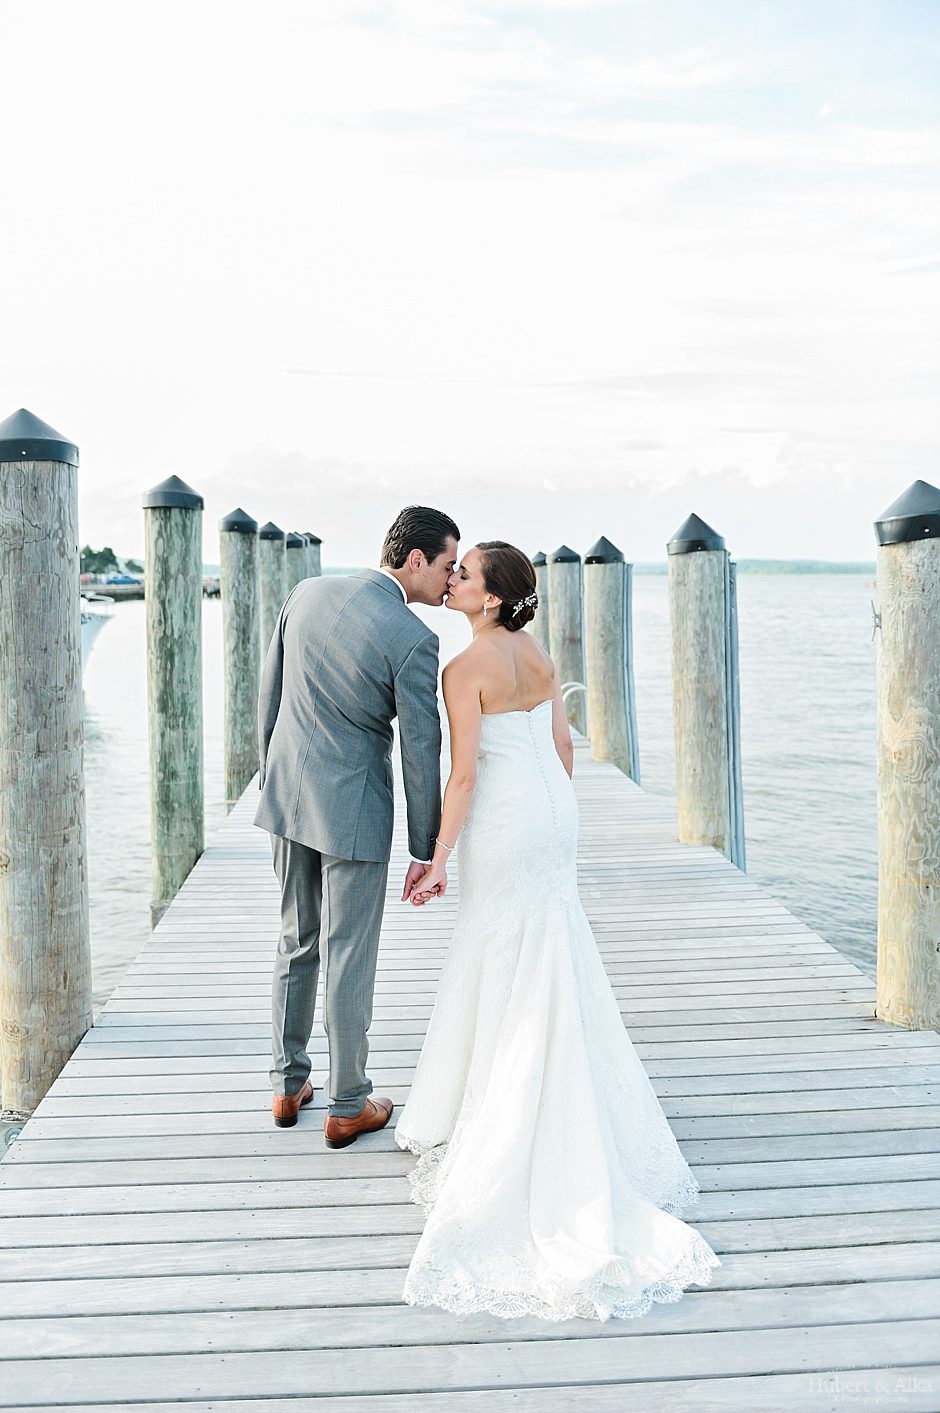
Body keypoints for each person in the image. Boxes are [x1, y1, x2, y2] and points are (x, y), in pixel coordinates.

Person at [395, 540, 721, 1322]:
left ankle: (504, 1094)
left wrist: (438, 856)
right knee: (550, 940)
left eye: (466, 575)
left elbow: (465, 775)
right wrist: (556, 819)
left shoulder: (463, 669)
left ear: (494, 598)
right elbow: (564, 747)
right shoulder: (538, 653)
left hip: (506, 818)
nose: (455, 582)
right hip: (554, 813)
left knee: (499, 941)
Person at [254, 506, 458, 1147]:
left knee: (297, 939)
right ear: (416, 559)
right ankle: (348, 1104)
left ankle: (287, 1085)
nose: (452, 581)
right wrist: (425, 847)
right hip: (356, 808)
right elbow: (422, 757)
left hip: (289, 791)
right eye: (449, 565)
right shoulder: (414, 639)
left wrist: (269, 772)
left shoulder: (307, 592)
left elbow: (270, 693)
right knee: (348, 955)